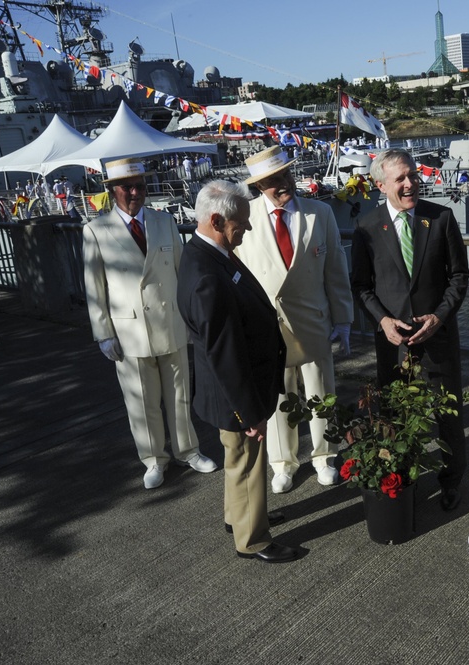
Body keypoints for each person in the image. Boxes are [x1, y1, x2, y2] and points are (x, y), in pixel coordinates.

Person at [177, 180, 298, 564]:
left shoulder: (205, 253)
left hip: (231, 387)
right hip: (236, 391)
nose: (246, 229)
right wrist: (250, 412)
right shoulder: (208, 275)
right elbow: (224, 350)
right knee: (247, 461)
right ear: (216, 219)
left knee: (236, 458)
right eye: (240, 223)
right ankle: (254, 539)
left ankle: (241, 516)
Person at [82, 157, 217, 489]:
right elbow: (94, 288)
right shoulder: (95, 231)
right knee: (142, 401)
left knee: (179, 395)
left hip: (170, 322)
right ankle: (154, 458)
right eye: (127, 187)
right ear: (113, 191)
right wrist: (103, 334)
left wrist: (192, 317)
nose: (134, 192)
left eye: (140, 186)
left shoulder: (164, 221)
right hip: (129, 330)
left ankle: (189, 450)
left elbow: (183, 274)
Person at [350, 148, 469, 511]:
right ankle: (403, 480)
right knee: (396, 418)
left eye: (412, 175)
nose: (409, 183)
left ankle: (452, 481)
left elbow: (459, 277)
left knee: (448, 417)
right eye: (400, 178)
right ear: (380, 184)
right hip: (394, 343)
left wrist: (440, 316)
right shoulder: (366, 228)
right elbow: (362, 286)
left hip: (438, 338)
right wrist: (383, 321)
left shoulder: (442, 218)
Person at [238, 146, 354, 494]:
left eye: (286, 175)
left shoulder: (320, 213)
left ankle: (325, 456)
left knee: (321, 393)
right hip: (268, 327)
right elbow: (239, 275)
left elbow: (336, 270)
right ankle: (283, 463)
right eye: (273, 180)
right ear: (259, 187)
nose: (284, 183)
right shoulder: (246, 217)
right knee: (278, 398)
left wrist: (344, 319)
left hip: (314, 320)